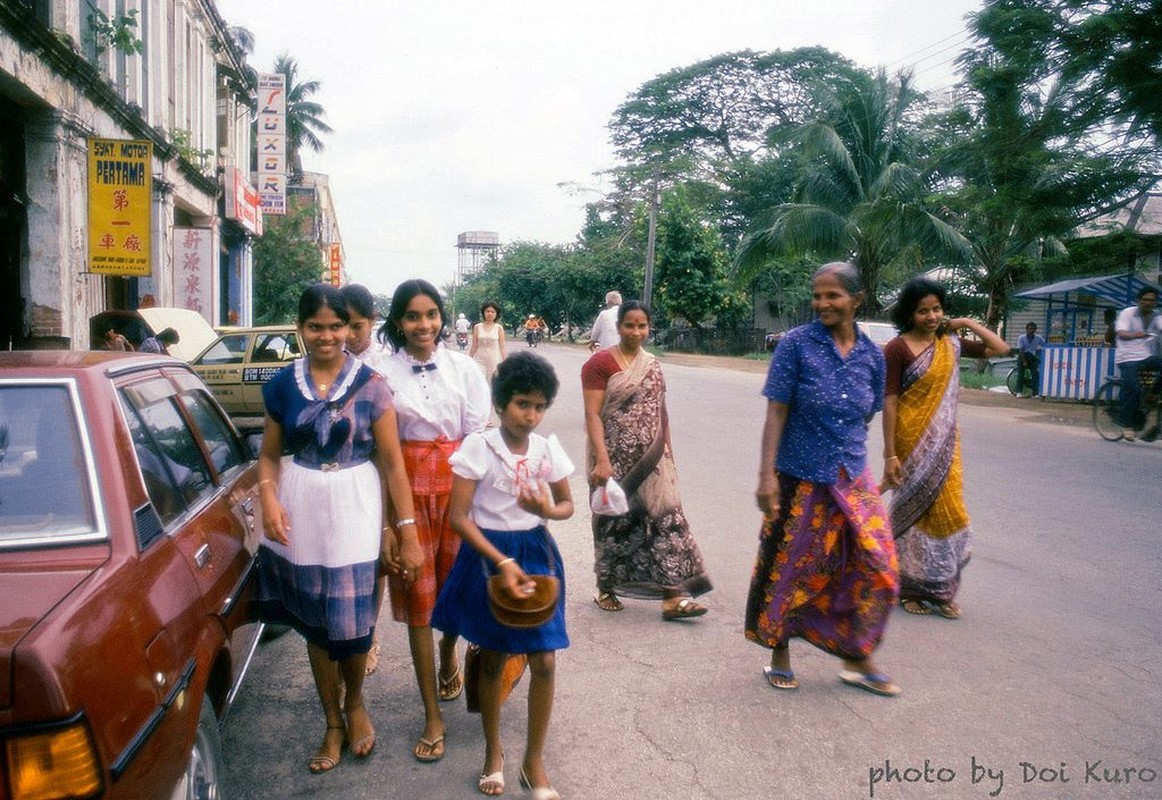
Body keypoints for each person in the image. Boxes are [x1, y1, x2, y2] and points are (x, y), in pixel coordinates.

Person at [254, 283, 423, 774]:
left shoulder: (371, 385)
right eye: (315, 327)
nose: (327, 337)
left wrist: (406, 532)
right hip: (300, 501)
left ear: (350, 329)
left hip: (357, 502)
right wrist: (268, 496)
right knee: (314, 620)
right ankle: (331, 721)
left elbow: (392, 465)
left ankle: (356, 703)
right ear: (301, 328)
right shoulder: (282, 386)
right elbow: (268, 455)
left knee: (352, 621)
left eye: (336, 326)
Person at [745, 262, 900, 697]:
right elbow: (776, 410)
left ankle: (856, 654)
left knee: (878, 565)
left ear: (857, 300)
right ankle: (779, 652)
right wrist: (766, 476)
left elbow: (867, 416)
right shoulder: (796, 345)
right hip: (800, 474)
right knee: (791, 566)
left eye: (832, 295)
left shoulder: (873, 356)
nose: (822, 304)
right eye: (817, 295)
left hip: (852, 475)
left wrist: (888, 457)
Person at [433, 352, 573, 799]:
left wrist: (545, 509)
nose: (530, 416)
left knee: (546, 659)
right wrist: (502, 561)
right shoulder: (479, 447)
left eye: (538, 406)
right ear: (499, 403)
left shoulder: (547, 449)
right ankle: (494, 752)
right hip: (487, 556)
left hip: (536, 554)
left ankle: (534, 761)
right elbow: (459, 517)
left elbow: (566, 506)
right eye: (521, 404)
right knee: (492, 655)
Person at [376, 279, 492, 763]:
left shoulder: (464, 369)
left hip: (457, 492)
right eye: (412, 316)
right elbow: (380, 453)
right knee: (419, 599)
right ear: (398, 322)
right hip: (406, 495)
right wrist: (390, 524)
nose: (423, 325)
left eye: (431, 315)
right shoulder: (379, 374)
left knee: (456, 591)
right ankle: (431, 713)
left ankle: (449, 654)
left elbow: (480, 437)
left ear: (442, 318)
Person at [880, 277, 1009, 621]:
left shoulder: (950, 343)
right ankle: (910, 588)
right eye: (923, 311)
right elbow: (889, 402)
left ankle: (941, 589)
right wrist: (889, 453)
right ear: (909, 314)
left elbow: (1001, 349)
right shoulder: (897, 349)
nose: (932, 316)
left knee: (949, 512)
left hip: (946, 443)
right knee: (915, 513)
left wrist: (966, 323)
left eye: (937, 309)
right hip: (911, 441)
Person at [582, 299, 712, 620]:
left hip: (654, 457)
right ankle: (606, 588)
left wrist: (668, 451)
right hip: (613, 459)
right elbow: (592, 415)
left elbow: (660, 410)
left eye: (642, 326)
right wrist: (601, 460)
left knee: (667, 520)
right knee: (615, 523)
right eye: (630, 325)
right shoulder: (599, 364)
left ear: (649, 328)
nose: (636, 332)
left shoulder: (653, 364)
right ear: (619, 326)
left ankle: (673, 596)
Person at [341, 283, 392, 675]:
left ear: (372, 322)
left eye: (356, 326)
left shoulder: (386, 363)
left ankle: (370, 634)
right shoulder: (328, 360)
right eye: (343, 325)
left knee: (375, 558)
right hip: (342, 473)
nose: (348, 335)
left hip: (380, 470)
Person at [1113, 287, 1162, 441]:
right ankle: (1127, 425)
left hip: (1145, 355)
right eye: (1145, 299)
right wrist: (1137, 334)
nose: (1148, 303)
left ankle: (1153, 395)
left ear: (1156, 302)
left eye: (1152, 300)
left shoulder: (1156, 315)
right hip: (1127, 357)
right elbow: (1121, 333)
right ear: (1139, 300)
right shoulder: (1128, 313)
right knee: (1133, 389)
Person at [470, 300, 508, 387]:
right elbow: (474, 345)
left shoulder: (499, 328)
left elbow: (502, 347)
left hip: (494, 360)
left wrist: (506, 362)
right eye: (487, 311)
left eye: (492, 312)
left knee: (492, 385)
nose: (490, 314)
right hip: (480, 360)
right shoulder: (477, 327)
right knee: (479, 383)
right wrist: (469, 360)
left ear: (496, 314)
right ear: (484, 313)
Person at [1015, 321, 1046, 397]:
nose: (1031, 330)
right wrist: (1024, 361)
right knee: (1021, 374)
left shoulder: (1038, 338)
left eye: (1033, 329)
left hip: (1032, 357)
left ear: (1035, 330)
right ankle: (1019, 392)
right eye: (1029, 328)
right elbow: (1021, 350)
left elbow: (1045, 344)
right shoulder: (1021, 338)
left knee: (1035, 374)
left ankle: (1035, 393)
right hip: (1023, 356)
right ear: (1026, 329)